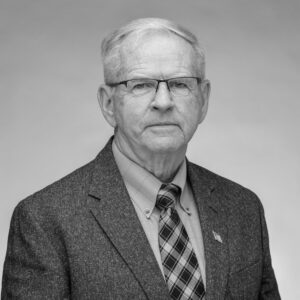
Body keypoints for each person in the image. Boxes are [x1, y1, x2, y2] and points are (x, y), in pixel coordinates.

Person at [2, 18, 280, 299]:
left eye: (180, 84)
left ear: (203, 100)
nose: (163, 101)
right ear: (108, 104)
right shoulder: (44, 220)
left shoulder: (244, 209)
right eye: (141, 85)